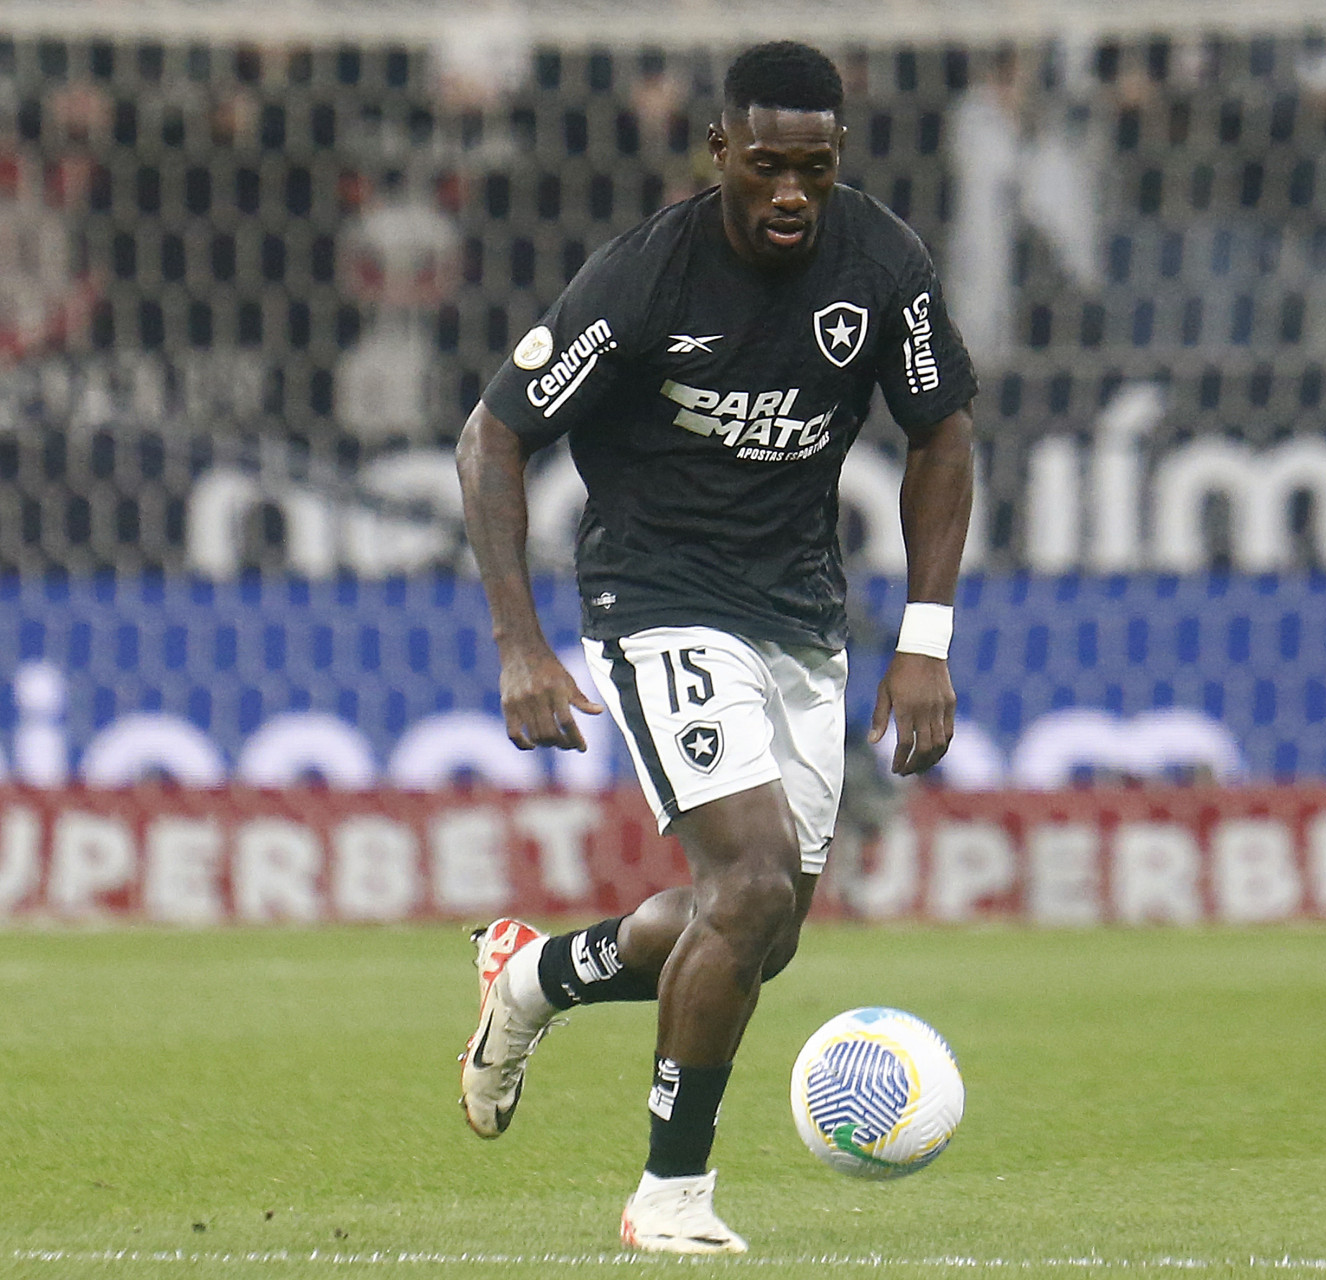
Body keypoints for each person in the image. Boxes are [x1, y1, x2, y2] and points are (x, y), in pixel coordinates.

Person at [451, 40, 976, 1255]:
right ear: (720, 154)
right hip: (658, 598)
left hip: (801, 611)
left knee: (759, 931)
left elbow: (942, 434)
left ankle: (535, 977)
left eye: (816, 168)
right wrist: (518, 643)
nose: (791, 192)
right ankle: (669, 1196)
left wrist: (925, 641)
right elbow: (491, 439)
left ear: (839, 159)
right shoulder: (644, 279)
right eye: (767, 166)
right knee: (740, 884)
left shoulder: (883, 264)